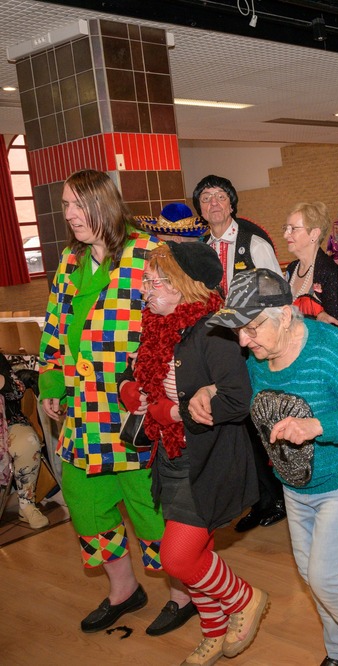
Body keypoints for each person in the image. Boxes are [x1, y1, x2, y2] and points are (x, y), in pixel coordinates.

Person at [207, 269, 338, 666]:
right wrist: (210, 390)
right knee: (311, 575)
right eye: (239, 331)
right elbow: (243, 392)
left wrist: (316, 426)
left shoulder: (327, 348)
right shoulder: (258, 357)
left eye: (252, 328)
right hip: (296, 483)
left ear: (286, 315)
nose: (243, 340)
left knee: (328, 576)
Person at [38, 169, 190, 634]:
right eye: (65, 206)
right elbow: (55, 325)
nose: (69, 215)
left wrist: (162, 378)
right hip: (82, 411)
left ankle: (183, 594)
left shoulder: (149, 252)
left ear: (102, 204)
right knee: (86, 503)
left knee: (149, 506)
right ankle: (124, 589)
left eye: (76, 205)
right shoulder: (70, 261)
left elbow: (180, 314)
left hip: (133, 410)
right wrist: (52, 383)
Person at [125, 242, 267, 664]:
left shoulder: (212, 331)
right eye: (145, 281)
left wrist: (174, 410)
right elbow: (138, 374)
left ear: (182, 285)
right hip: (171, 458)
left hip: (209, 461)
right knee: (194, 557)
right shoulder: (155, 326)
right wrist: (131, 388)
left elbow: (237, 400)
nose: (145, 290)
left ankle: (244, 598)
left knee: (178, 557)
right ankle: (213, 631)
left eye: (154, 282)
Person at [193, 174, 287, 534]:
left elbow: (276, 293)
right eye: (206, 199)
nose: (213, 204)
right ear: (200, 210)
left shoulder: (253, 242)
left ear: (231, 203)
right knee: (238, 427)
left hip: (254, 344)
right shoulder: (202, 248)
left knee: (260, 420)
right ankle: (260, 498)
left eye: (220, 197)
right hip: (219, 347)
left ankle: (278, 495)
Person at [0, 354, 49, 528]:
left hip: (8, 422)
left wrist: (2, 381)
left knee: (29, 442)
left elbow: (17, 390)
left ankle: (26, 504)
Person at [282, 202, 338, 328]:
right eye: (286, 228)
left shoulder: (329, 272)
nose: (285, 235)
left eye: (293, 229)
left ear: (314, 234)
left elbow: (335, 328)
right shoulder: (292, 268)